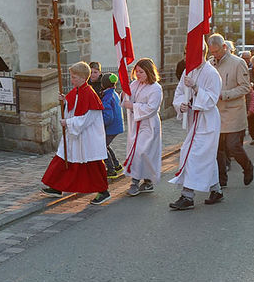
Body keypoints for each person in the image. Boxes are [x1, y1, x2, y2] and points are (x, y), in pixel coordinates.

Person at [42, 61, 110, 204]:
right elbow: (73, 104)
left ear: (82, 78)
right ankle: (57, 186)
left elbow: (88, 118)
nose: (71, 80)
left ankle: (103, 191)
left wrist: (69, 123)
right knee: (63, 157)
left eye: (74, 77)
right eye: (72, 77)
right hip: (75, 135)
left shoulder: (90, 93)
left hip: (87, 136)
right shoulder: (78, 90)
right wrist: (65, 100)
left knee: (92, 164)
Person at [169, 47, 223, 210]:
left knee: (193, 154)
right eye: (185, 54)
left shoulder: (212, 73)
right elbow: (179, 93)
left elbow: (212, 99)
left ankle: (188, 196)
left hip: (207, 120)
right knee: (206, 156)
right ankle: (216, 190)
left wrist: (196, 87)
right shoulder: (188, 70)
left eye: (189, 53)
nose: (186, 57)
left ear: (201, 53)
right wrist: (181, 105)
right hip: (194, 119)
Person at [209, 33, 254, 193]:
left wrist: (225, 94)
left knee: (233, 146)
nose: (215, 55)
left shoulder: (238, 63)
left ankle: (247, 166)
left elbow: (245, 87)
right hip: (216, 113)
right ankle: (221, 180)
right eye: (212, 52)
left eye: (217, 51)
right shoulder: (210, 64)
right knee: (218, 148)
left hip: (234, 112)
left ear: (224, 47)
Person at [120, 58, 163, 196]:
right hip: (136, 123)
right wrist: (124, 93)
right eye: (137, 71)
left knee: (142, 151)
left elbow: (152, 107)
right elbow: (128, 96)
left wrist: (133, 106)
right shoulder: (135, 84)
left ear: (149, 72)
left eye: (141, 72)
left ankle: (136, 181)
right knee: (136, 150)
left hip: (148, 125)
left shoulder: (156, 88)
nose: (138, 75)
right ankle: (145, 180)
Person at [99, 73, 124, 178]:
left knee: (101, 147)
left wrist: (101, 124)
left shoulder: (107, 97)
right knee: (106, 145)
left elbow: (108, 116)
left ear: (103, 84)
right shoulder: (114, 93)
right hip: (117, 126)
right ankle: (117, 165)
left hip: (111, 127)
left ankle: (111, 170)